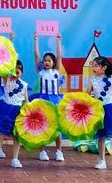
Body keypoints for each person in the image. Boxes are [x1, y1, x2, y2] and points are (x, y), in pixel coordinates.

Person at [30, 33, 64, 162]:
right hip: (43, 100)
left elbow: (59, 56)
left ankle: (59, 151)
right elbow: (36, 56)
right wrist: (36, 40)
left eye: (49, 60)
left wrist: (58, 41)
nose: (46, 62)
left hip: (55, 100)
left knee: (57, 126)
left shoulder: (56, 71)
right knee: (42, 125)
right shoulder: (40, 72)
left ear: (54, 62)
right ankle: (42, 151)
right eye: (45, 61)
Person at [0, 60, 27, 169]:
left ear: (22, 73)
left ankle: (15, 159)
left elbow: (26, 99)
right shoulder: (7, 79)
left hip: (18, 112)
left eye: (17, 72)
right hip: (5, 111)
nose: (15, 74)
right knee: (0, 135)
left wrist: (29, 110)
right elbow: (2, 70)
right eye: (13, 72)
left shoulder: (24, 85)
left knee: (17, 137)